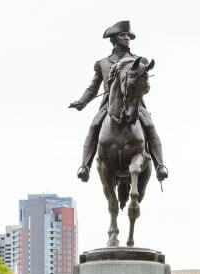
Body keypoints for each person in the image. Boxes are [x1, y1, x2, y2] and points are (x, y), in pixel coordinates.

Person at [69, 20, 168, 183]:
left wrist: (142, 87)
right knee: (94, 126)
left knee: (150, 126)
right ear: (114, 39)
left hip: (134, 104)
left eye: (128, 35)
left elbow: (144, 86)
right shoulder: (103, 63)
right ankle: (85, 166)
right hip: (109, 104)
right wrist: (82, 102)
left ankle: (160, 166)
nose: (127, 38)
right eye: (123, 35)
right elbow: (93, 88)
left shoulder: (140, 60)